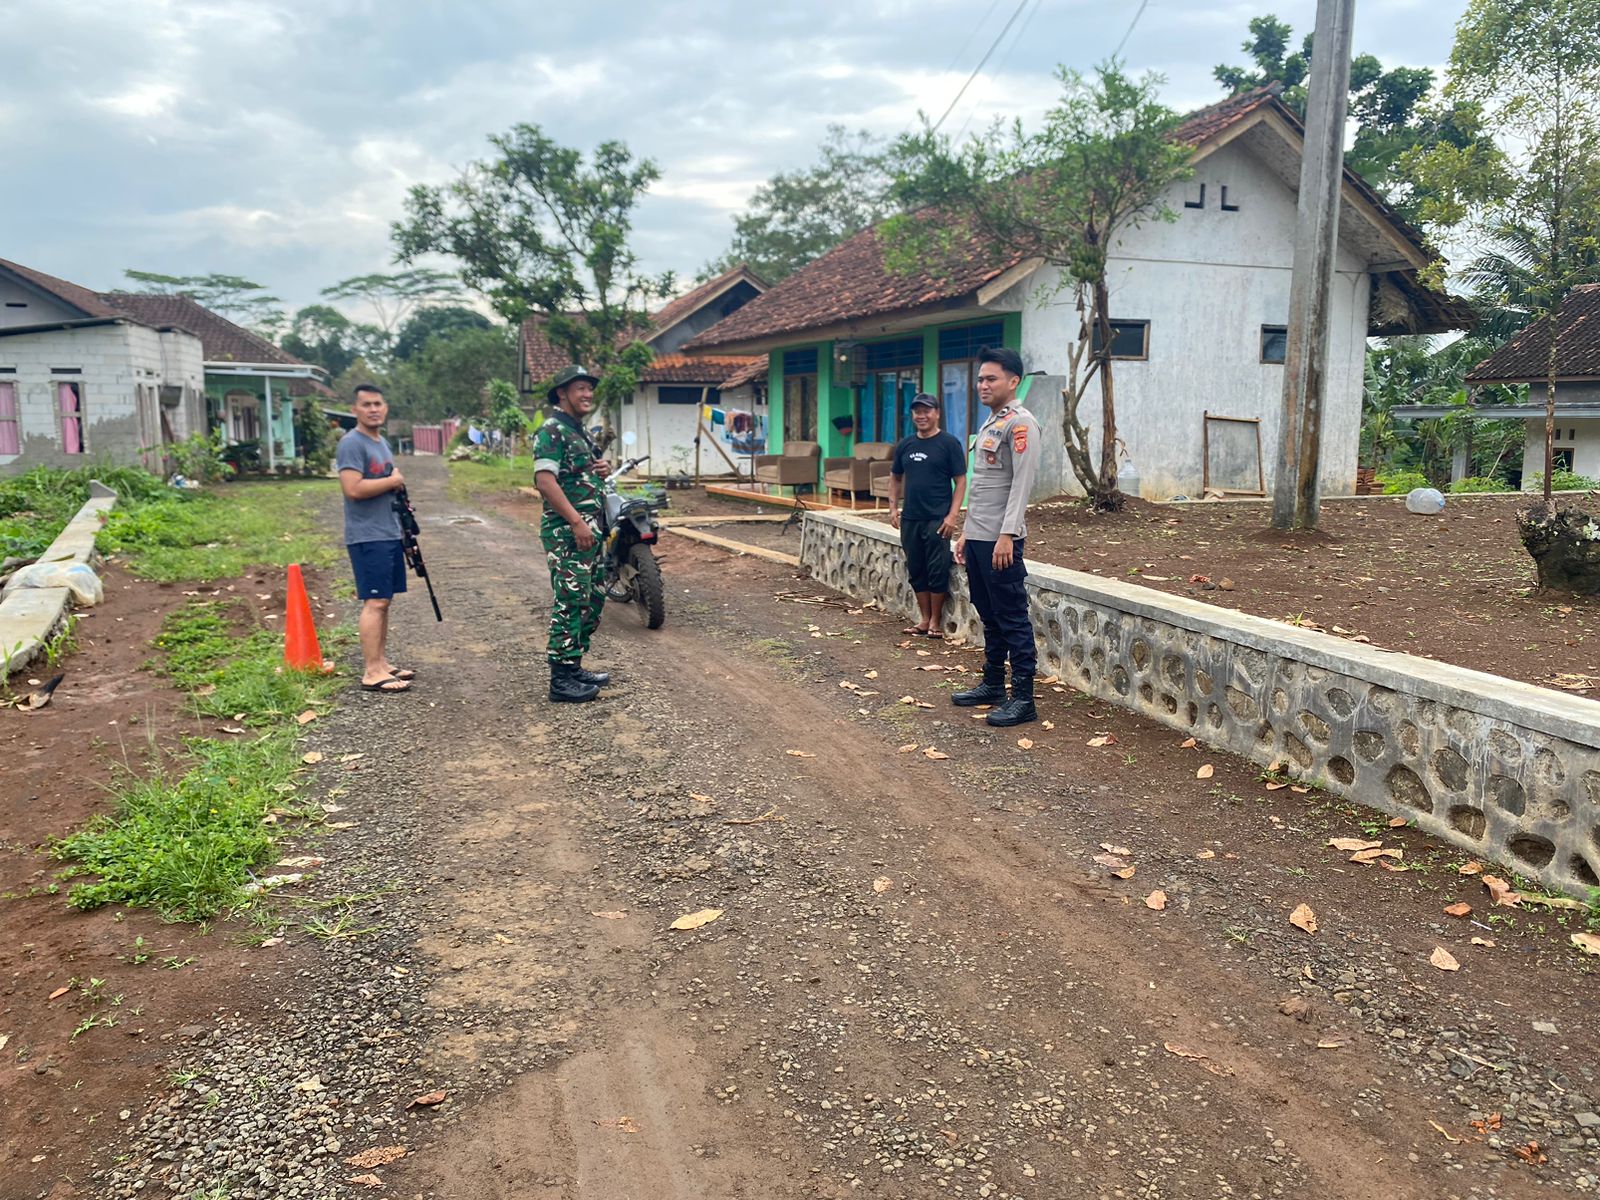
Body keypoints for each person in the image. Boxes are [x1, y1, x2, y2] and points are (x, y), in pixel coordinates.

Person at [951, 347, 1041, 726]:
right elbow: (983, 487)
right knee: (989, 615)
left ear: (1013, 381)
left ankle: (1023, 698)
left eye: (992, 379)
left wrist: (1008, 534)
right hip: (980, 537)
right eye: (981, 378)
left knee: (1012, 617)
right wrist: (967, 533)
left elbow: (1020, 485)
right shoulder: (991, 423)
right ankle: (992, 684)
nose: (982, 385)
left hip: (1002, 541)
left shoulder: (1021, 424)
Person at [532, 365, 615, 703]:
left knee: (592, 599)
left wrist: (601, 469)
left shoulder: (577, 430)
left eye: (589, 388)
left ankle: (574, 664)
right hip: (568, 531)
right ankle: (560, 680)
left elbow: (576, 472)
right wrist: (577, 523)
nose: (587, 394)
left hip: (590, 529)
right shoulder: (551, 430)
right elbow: (545, 481)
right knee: (570, 601)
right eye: (579, 388)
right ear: (562, 394)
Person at [336, 383, 412, 694]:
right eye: (366, 404)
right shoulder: (351, 444)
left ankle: (381, 662)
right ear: (354, 410)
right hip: (367, 535)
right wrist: (391, 480)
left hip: (388, 531)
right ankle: (371, 671)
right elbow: (352, 489)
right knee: (375, 601)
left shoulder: (381, 442)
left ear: (386, 407)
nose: (373, 409)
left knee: (384, 601)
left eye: (377, 403)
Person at [888, 393, 967, 638]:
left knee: (937, 568)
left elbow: (961, 481)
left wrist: (952, 516)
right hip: (911, 518)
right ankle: (922, 620)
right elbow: (895, 476)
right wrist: (892, 508)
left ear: (937, 413)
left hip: (937, 518)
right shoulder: (905, 444)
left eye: (927, 411)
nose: (921, 416)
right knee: (916, 568)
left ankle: (935, 621)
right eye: (917, 412)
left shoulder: (949, 443)